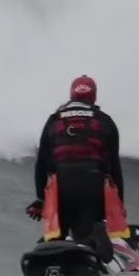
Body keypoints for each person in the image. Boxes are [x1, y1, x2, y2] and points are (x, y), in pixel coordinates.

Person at [25, 75, 124, 263]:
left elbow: (42, 163)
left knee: (57, 235)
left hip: (62, 186)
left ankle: (48, 268)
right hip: (93, 185)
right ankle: (96, 234)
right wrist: (119, 202)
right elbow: (114, 168)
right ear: (94, 96)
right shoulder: (104, 121)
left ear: (72, 93)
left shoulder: (54, 120)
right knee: (85, 236)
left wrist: (40, 199)